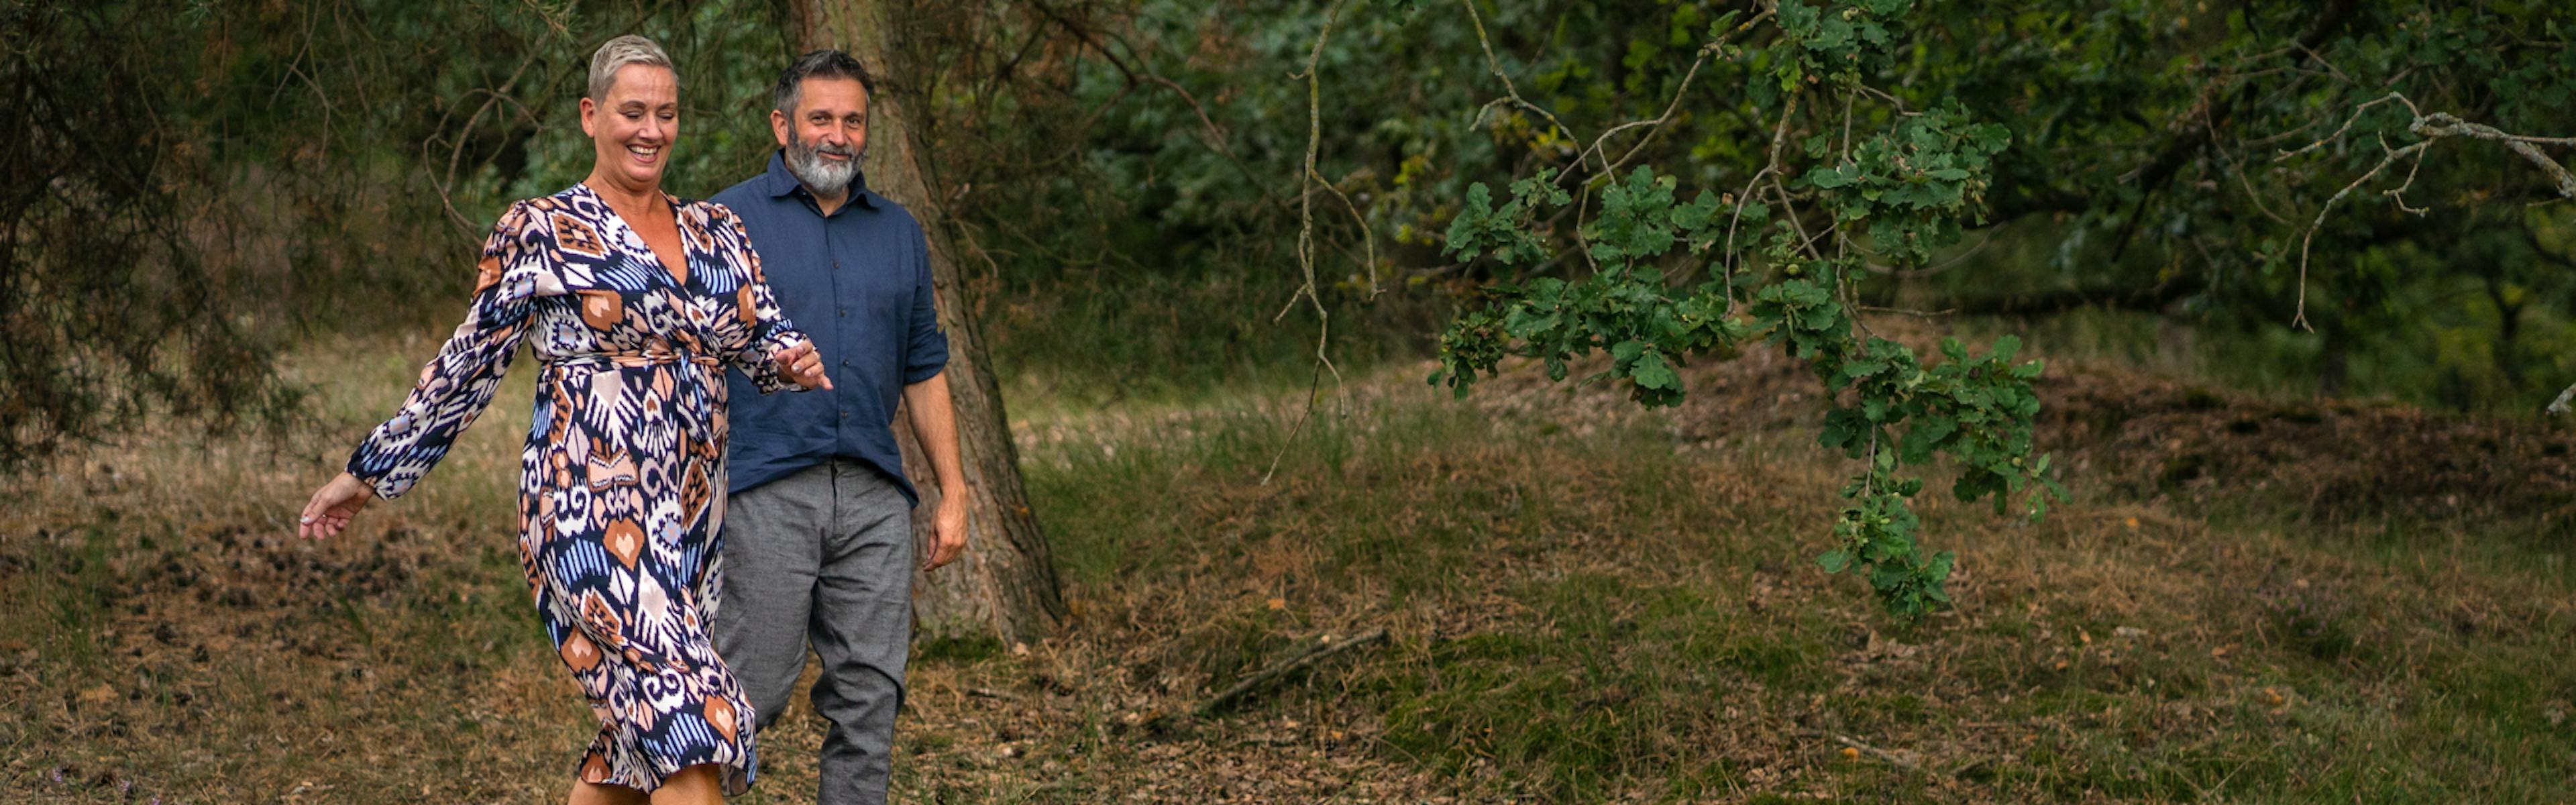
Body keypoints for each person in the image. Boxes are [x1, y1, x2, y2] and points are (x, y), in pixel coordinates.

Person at [294, 35, 832, 804]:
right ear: (591, 115)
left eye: (667, 114)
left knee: (633, 743)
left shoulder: (718, 231)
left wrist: (789, 360)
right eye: (633, 112)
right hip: (587, 506)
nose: (651, 131)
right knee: (692, 723)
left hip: (688, 516)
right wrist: (370, 471)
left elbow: (759, 333)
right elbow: (468, 362)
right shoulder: (541, 230)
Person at [707, 50, 971, 805]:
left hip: (874, 499)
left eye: (852, 120)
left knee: (870, 698)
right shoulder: (723, 222)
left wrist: (952, 493)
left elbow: (923, 368)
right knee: (748, 693)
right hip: (765, 491)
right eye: (821, 118)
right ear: (783, 123)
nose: (837, 135)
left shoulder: (899, 233)